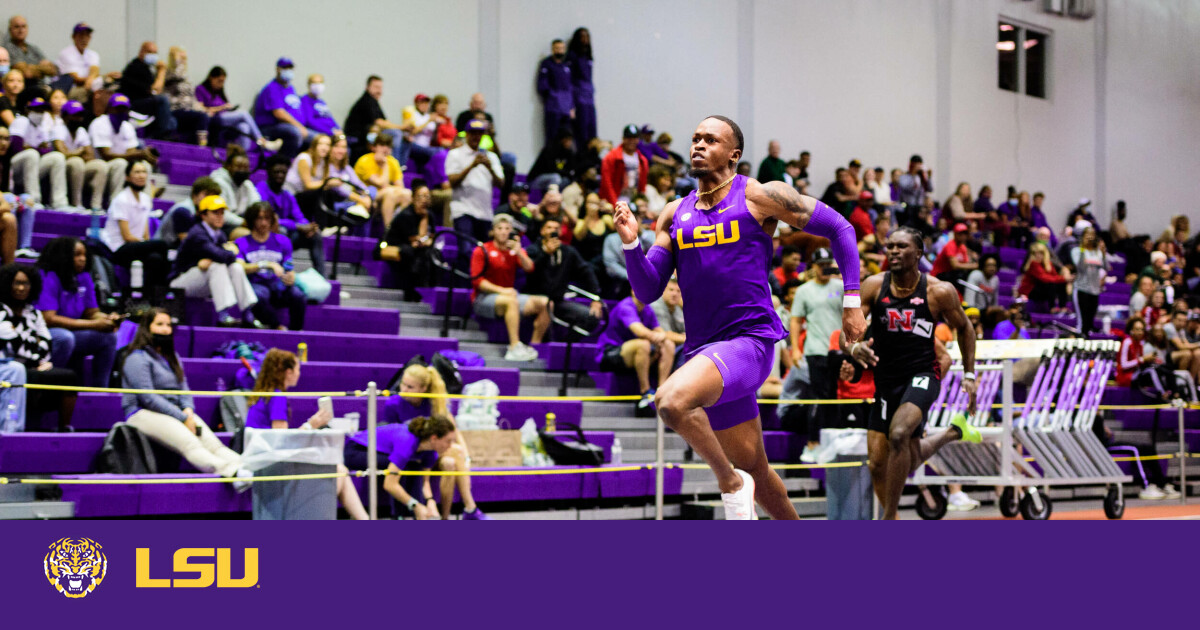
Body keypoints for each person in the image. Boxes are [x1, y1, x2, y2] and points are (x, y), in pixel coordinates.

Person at [614, 115, 866, 520]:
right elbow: (648, 290)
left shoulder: (759, 196)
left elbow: (840, 228)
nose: (697, 144)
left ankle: (729, 484)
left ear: (733, 154)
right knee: (758, 470)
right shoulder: (673, 214)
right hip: (703, 352)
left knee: (670, 401)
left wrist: (851, 302)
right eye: (695, 138)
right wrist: (631, 246)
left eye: (709, 139)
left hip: (749, 342)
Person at [846, 227, 979, 519]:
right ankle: (952, 433)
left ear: (918, 253)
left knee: (899, 434)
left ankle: (890, 518)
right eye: (890, 246)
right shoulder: (872, 285)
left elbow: (965, 329)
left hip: (922, 373)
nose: (893, 251)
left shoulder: (938, 291)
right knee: (881, 463)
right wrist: (854, 350)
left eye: (901, 246)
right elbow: (849, 329)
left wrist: (969, 375)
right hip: (885, 378)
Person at [121, 308, 246, 482]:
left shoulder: (172, 357)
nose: (165, 329)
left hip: (176, 412)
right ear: (146, 328)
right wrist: (181, 417)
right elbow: (147, 397)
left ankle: (245, 467)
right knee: (191, 443)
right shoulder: (137, 358)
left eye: (168, 325)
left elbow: (184, 390)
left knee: (213, 444)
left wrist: (188, 410)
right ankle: (231, 473)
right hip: (142, 413)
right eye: (159, 324)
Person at [246, 349, 367, 519]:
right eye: (298, 369)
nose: (299, 373)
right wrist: (312, 424)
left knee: (339, 471)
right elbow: (280, 441)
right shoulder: (277, 396)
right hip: (270, 462)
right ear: (288, 372)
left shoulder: (262, 393)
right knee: (339, 471)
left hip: (261, 457)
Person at [0, 262, 77, 431]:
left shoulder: (34, 313)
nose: (21, 288)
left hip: (32, 366)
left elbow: (45, 343)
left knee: (69, 377)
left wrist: (38, 356)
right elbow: (16, 345)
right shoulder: (1, 311)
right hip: (8, 368)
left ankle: (64, 428)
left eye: (25, 283)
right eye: (16, 283)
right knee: (24, 372)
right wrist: (36, 358)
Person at [36, 236, 118, 387]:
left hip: (75, 332)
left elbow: (92, 312)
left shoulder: (84, 276)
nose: (83, 259)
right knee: (64, 338)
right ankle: (50, 384)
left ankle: (99, 391)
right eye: (77, 255)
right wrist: (93, 324)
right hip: (45, 334)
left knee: (108, 337)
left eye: (85, 255)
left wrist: (106, 318)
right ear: (63, 255)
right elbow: (49, 319)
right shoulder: (47, 276)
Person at [346, 414, 458, 520]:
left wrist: (430, 501)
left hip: (382, 454)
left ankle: (418, 517)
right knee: (403, 466)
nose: (450, 446)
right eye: (448, 441)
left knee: (413, 466)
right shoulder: (406, 442)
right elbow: (389, 484)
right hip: (356, 451)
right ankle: (398, 515)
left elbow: (425, 482)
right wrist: (415, 505)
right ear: (434, 438)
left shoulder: (431, 453)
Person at [790, 248, 845, 462]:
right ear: (813, 267)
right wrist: (795, 348)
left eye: (827, 264)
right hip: (815, 350)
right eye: (820, 264)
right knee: (818, 397)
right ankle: (813, 442)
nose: (824, 268)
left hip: (838, 351)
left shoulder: (840, 287)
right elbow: (795, 320)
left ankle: (831, 442)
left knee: (835, 396)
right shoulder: (804, 291)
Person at [169, 195, 258, 327]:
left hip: (204, 280)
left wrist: (228, 255)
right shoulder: (197, 233)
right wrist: (233, 251)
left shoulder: (219, 234)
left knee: (235, 267)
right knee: (218, 266)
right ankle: (223, 315)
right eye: (215, 213)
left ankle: (247, 313)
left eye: (222, 213)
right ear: (203, 215)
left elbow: (225, 258)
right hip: (180, 283)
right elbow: (220, 256)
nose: (220, 216)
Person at [470, 214, 549, 361]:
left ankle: (534, 346)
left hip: (509, 296)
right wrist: (503, 291)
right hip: (483, 299)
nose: (503, 232)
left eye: (507, 228)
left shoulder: (514, 250)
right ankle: (514, 347)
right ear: (493, 231)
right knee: (511, 300)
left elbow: (529, 267)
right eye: (499, 228)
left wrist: (519, 252)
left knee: (545, 303)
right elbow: (477, 281)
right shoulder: (482, 250)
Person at [597, 293, 675, 414]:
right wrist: (659, 337)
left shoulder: (647, 308)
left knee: (668, 344)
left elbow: (660, 331)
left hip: (638, 353)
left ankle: (661, 390)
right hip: (610, 352)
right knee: (643, 344)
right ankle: (645, 391)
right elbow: (640, 332)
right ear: (634, 291)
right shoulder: (626, 306)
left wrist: (661, 337)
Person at [100, 160, 169, 291]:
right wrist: (146, 244)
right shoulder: (121, 199)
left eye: (144, 172)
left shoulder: (145, 199)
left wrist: (146, 244)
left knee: (156, 258)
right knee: (162, 245)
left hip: (137, 247)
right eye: (137, 172)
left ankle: (151, 297)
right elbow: (127, 236)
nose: (141, 175)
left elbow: (145, 233)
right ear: (127, 177)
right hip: (119, 248)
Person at [236, 202, 305, 331]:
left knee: (298, 295)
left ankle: (297, 331)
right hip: (256, 284)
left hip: (277, 284)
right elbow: (240, 267)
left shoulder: (283, 241)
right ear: (252, 220)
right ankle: (276, 326)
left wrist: (291, 276)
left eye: (267, 218)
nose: (263, 223)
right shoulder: (241, 242)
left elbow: (288, 266)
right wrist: (266, 264)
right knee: (257, 295)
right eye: (259, 218)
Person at [526, 217, 603, 333]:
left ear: (561, 231)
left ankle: (566, 347)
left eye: (556, 228)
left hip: (558, 301)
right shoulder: (533, 250)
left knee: (591, 316)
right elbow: (529, 272)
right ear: (542, 231)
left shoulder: (568, 251)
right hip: (536, 300)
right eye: (549, 227)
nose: (553, 231)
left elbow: (586, 271)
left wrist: (596, 298)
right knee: (546, 308)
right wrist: (545, 254)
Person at [257, 155, 323, 275]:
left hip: (288, 235)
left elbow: (299, 217)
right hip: (264, 236)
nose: (280, 175)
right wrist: (297, 226)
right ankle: (282, 273)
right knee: (280, 230)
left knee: (315, 234)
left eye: (283, 172)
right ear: (268, 171)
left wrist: (307, 227)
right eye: (277, 172)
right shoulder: (260, 189)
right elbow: (268, 220)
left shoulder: (288, 195)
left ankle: (321, 276)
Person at [89, 93, 158, 207]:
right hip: (100, 165)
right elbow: (106, 155)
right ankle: (115, 205)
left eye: (124, 109)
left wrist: (145, 156)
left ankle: (145, 207)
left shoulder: (127, 126)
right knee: (120, 164)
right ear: (110, 109)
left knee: (144, 166)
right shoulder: (100, 123)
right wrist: (140, 154)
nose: (121, 112)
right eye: (118, 108)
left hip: (119, 165)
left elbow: (131, 153)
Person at [195, 66, 282, 152]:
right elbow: (201, 109)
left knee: (244, 127)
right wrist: (221, 108)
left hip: (226, 119)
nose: (221, 84)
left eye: (223, 82)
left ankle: (242, 155)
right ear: (211, 78)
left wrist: (229, 108)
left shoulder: (219, 93)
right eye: (219, 81)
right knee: (243, 114)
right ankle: (261, 140)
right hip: (214, 119)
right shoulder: (200, 89)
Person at [445, 119, 504, 242]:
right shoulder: (455, 154)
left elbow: (501, 184)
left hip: (484, 212)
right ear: (467, 134)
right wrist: (472, 166)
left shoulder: (491, 157)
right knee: (465, 251)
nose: (476, 136)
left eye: (479, 133)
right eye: (473, 133)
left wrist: (490, 168)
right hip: (463, 210)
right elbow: (453, 181)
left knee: (484, 253)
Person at [10, 96, 66, 226]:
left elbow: (47, 150)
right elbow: (16, 147)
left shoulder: (41, 127)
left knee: (57, 157)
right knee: (31, 154)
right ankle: (33, 199)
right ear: (29, 110)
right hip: (15, 168)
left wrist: (31, 146)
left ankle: (60, 202)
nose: (39, 114)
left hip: (32, 169)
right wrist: (35, 148)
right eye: (37, 110)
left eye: (42, 111)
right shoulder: (22, 121)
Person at [377, 180, 432, 300]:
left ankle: (424, 291)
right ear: (413, 198)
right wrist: (424, 220)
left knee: (431, 254)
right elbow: (415, 239)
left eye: (427, 196)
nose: (424, 199)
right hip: (395, 247)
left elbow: (431, 238)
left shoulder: (429, 215)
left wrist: (426, 239)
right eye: (421, 196)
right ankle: (411, 292)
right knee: (413, 254)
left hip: (413, 248)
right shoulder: (406, 215)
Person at [50, 98, 106, 211]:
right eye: (74, 115)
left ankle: (96, 206)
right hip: (61, 168)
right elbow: (62, 153)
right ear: (65, 116)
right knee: (77, 162)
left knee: (100, 165)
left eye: (80, 115)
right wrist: (79, 152)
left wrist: (74, 153)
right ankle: (77, 203)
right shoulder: (59, 128)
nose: (78, 118)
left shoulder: (81, 131)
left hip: (79, 168)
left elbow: (91, 156)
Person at [120, 42, 176, 140]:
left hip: (146, 103)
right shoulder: (136, 66)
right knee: (162, 100)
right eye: (149, 52)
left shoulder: (149, 68)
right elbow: (155, 90)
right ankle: (160, 136)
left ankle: (156, 135)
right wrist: (162, 71)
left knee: (173, 121)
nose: (152, 55)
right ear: (141, 52)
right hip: (133, 105)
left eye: (155, 53)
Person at [353, 132, 410, 227]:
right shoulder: (364, 161)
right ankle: (388, 229)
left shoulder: (393, 162)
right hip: (365, 195)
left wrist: (386, 163)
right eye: (382, 145)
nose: (385, 149)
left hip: (385, 195)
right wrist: (384, 165)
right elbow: (381, 184)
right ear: (374, 147)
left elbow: (400, 187)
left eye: (388, 146)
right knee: (389, 192)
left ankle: (401, 228)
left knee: (407, 193)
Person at [253, 57, 307, 158]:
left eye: (290, 68)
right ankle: (285, 162)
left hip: (293, 126)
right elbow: (279, 113)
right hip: (270, 127)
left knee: (318, 139)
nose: (288, 71)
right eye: (285, 68)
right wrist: (299, 126)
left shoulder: (291, 88)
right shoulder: (272, 88)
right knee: (295, 133)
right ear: (278, 69)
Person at [343, 75, 403, 157]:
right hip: (359, 138)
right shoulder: (367, 100)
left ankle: (400, 166)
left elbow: (385, 121)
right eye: (376, 87)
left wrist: (404, 130)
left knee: (405, 137)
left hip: (369, 135)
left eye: (380, 88)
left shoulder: (374, 101)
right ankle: (393, 163)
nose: (379, 91)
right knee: (396, 133)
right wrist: (403, 127)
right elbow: (380, 123)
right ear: (367, 87)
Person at [156, 176, 221, 249]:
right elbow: (187, 243)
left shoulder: (202, 213)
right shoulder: (183, 211)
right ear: (195, 194)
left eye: (213, 197)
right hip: (163, 250)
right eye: (206, 195)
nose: (209, 199)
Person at [163, 47, 209, 144]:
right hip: (175, 110)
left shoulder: (186, 78)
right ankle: (202, 146)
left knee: (205, 117)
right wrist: (177, 58)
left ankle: (199, 148)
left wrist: (203, 109)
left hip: (187, 110)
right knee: (201, 118)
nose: (183, 61)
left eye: (184, 59)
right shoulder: (169, 73)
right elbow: (176, 75)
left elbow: (192, 98)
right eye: (181, 58)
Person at [53, 23, 107, 103]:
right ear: (74, 37)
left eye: (87, 35)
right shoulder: (66, 53)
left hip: (88, 86)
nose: (84, 39)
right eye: (81, 35)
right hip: (70, 89)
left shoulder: (93, 54)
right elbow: (75, 78)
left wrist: (91, 79)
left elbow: (95, 69)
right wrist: (102, 77)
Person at [1071, 227, 1109, 336]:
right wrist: (1083, 248)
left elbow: (1106, 267)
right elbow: (1080, 267)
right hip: (1081, 289)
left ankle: (1086, 342)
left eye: (1092, 234)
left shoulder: (1097, 253)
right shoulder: (1077, 251)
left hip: (1094, 290)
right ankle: (1079, 342)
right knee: (1082, 322)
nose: (1090, 237)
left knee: (1090, 322)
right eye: (1087, 234)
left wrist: (1104, 253)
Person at [209, 144, 259, 226]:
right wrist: (243, 223)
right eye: (239, 167)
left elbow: (257, 205)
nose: (242, 170)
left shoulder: (247, 184)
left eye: (246, 167)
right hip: (221, 224)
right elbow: (220, 213)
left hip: (241, 221)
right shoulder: (218, 182)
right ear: (229, 166)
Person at [537, 39, 573, 147]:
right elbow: (543, 85)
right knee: (552, 137)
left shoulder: (566, 65)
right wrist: (551, 97)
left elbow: (570, 86)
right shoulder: (547, 64)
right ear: (553, 49)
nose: (559, 51)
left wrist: (571, 106)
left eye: (561, 48)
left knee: (566, 136)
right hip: (553, 107)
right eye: (557, 48)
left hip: (565, 107)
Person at [599, 124, 647, 205]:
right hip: (615, 200)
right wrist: (615, 204)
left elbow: (642, 185)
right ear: (623, 139)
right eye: (629, 138)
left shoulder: (642, 160)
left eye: (634, 138)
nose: (632, 141)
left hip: (633, 201)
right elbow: (607, 183)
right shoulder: (611, 157)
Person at [1019, 241, 1070, 314]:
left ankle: (1063, 307)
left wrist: (1064, 279)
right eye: (1035, 253)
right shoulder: (1033, 264)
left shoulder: (1048, 264)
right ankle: (1052, 308)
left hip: (1043, 291)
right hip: (1031, 292)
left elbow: (1054, 276)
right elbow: (1044, 278)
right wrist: (1064, 278)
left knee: (1061, 283)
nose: (1038, 255)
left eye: (1041, 253)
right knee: (1050, 283)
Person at [3, 16, 57, 84]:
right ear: (10, 30)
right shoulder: (7, 49)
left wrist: (31, 67)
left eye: (23, 26)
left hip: (42, 85)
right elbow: (27, 73)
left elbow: (53, 70)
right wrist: (43, 69)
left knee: (67, 78)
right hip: (24, 87)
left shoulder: (33, 48)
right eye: (17, 27)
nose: (21, 30)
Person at [566, 27, 595, 145]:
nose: (585, 39)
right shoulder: (572, 56)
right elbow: (569, 81)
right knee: (581, 132)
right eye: (582, 37)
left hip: (589, 97)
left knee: (592, 130)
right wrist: (571, 104)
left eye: (587, 36)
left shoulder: (588, 56)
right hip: (579, 98)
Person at [528, 126, 576, 193]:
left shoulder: (569, 153)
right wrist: (566, 173)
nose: (570, 143)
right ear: (562, 140)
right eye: (568, 140)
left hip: (556, 180)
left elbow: (570, 169)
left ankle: (558, 200)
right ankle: (551, 199)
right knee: (555, 177)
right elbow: (550, 169)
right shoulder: (550, 149)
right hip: (536, 180)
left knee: (567, 181)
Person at [930, 223, 977, 289]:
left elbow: (965, 264)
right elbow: (955, 265)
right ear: (955, 234)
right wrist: (974, 266)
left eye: (965, 234)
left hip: (952, 276)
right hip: (939, 276)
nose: (963, 236)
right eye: (960, 234)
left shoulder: (963, 247)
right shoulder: (950, 245)